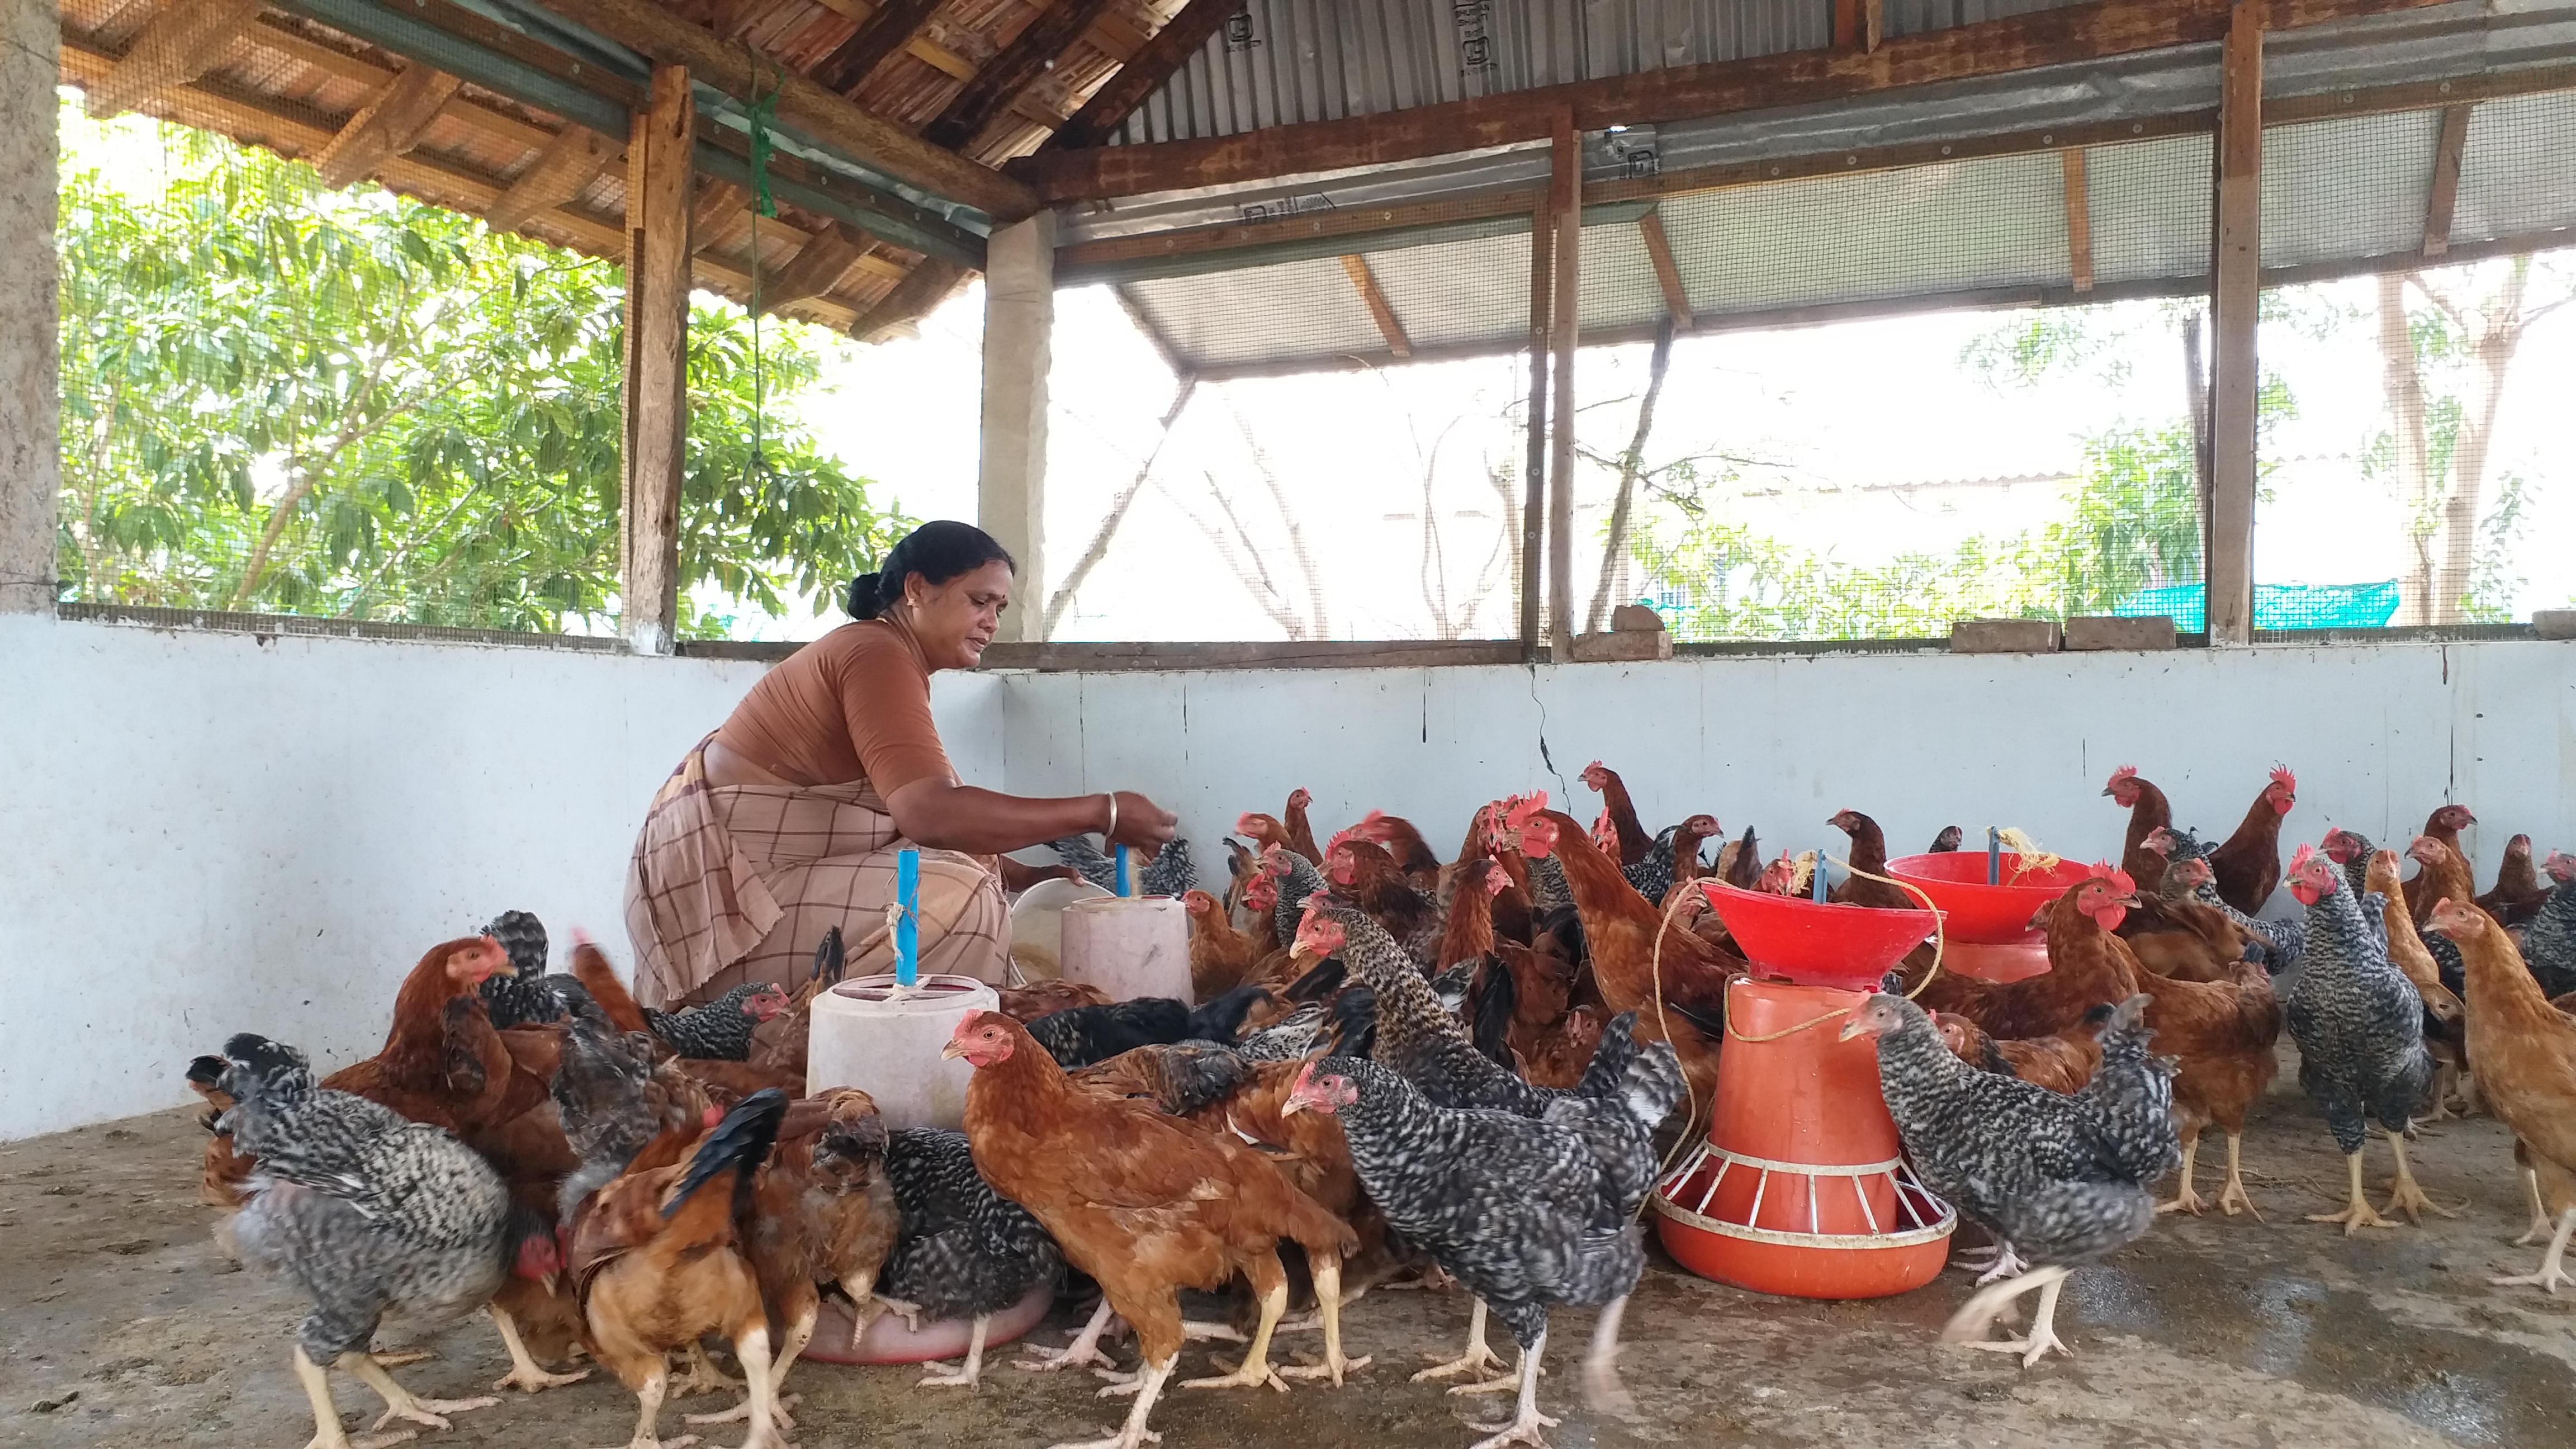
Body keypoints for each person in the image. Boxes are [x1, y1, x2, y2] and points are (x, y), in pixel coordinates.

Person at [625, 520, 1177, 1007]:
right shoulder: (874, 653)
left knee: (970, 875)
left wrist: (1020, 874)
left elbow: (922, 824)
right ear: (917, 589)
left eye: (1000, 609)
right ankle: (897, 1074)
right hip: (727, 910)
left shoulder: (887, 658)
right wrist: (1103, 812)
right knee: (959, 900)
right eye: (979, 601)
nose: (992, 622)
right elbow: (930, 815)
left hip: (755, 894)